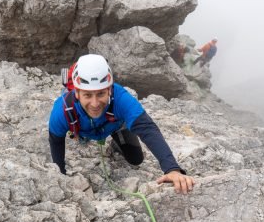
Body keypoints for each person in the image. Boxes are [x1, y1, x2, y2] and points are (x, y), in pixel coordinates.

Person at [48, 54, 195, 195]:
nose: (94, 103)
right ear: (77, 93)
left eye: (100, 94)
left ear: (109, 90)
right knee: (83, 138)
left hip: (114, 126)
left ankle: (116, 143)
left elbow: (147, 128)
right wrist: (60, 173)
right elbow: (56, 141)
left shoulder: (121, 98)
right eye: (87, 95)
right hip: (84, 129)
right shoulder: (62, 110)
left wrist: (172, 169)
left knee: (135, 159)